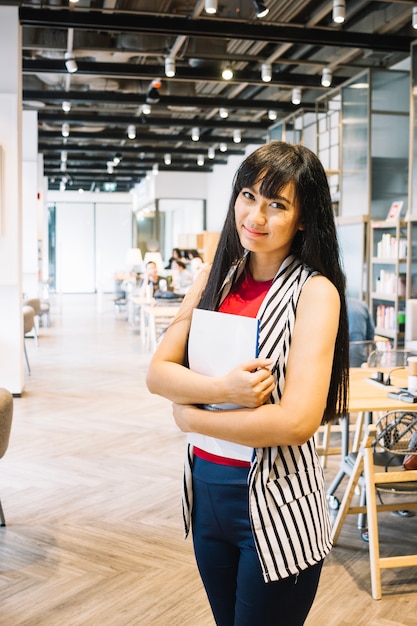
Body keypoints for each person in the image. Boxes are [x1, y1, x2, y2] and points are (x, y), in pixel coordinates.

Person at [146, 141, 349, 626]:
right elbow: (158, 373)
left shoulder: (314, 292)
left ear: (303, 218)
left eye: (277, 204)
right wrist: (224, 393)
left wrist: (191, 413)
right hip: (206, 495)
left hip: (278, 505)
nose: (256, 215)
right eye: (248, 196)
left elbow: (297, 422)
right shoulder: (213, 279)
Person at [347, 297, 375, 367]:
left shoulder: (333, 305)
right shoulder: (362, 305)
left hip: (340, 356)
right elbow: (370, 335)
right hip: (358, 355)